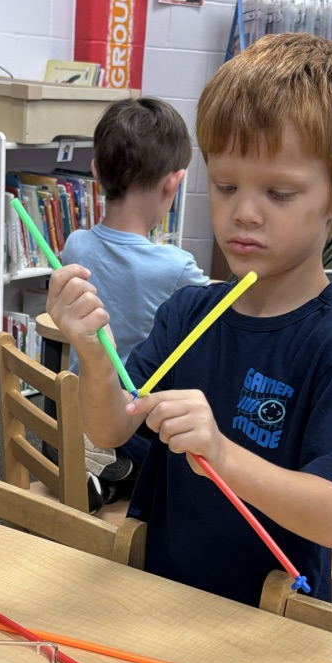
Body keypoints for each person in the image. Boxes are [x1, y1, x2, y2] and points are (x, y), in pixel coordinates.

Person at [48, 32, 332, 607]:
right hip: (162, 595)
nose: (244, 212)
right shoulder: (189, 311)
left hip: (271, 619)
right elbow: (108, 430)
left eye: (279, 192)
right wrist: (93, 353)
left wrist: (224, 456)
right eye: (225, 185)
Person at [61, 96, 209, 506]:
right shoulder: (177, 269)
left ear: (95, 173)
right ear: (173, 183)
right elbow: (226, 305)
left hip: (75, 412)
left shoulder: (75, 245)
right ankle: (109, 467)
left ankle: (93, 465)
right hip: (130, 421)